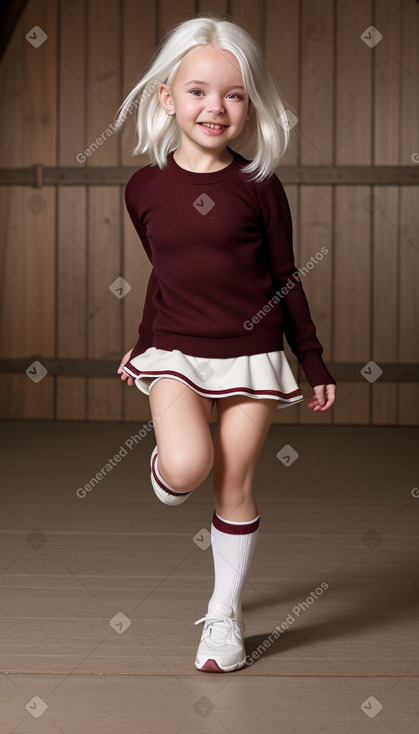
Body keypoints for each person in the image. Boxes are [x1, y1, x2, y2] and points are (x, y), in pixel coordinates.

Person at [116, 15, 336, 673]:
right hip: (178, 352)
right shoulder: (143, 188)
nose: (215, 107)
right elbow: (166, 275)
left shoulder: (259, 186)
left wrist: (312, 357)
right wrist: (142, 345)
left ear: (249, 104)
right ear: (166, 96)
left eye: (234, 94)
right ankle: (167, 469)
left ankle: (223, 615)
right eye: (198, 91)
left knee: (232, 482)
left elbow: (284, 276)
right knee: (187, 467)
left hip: (253, 353)